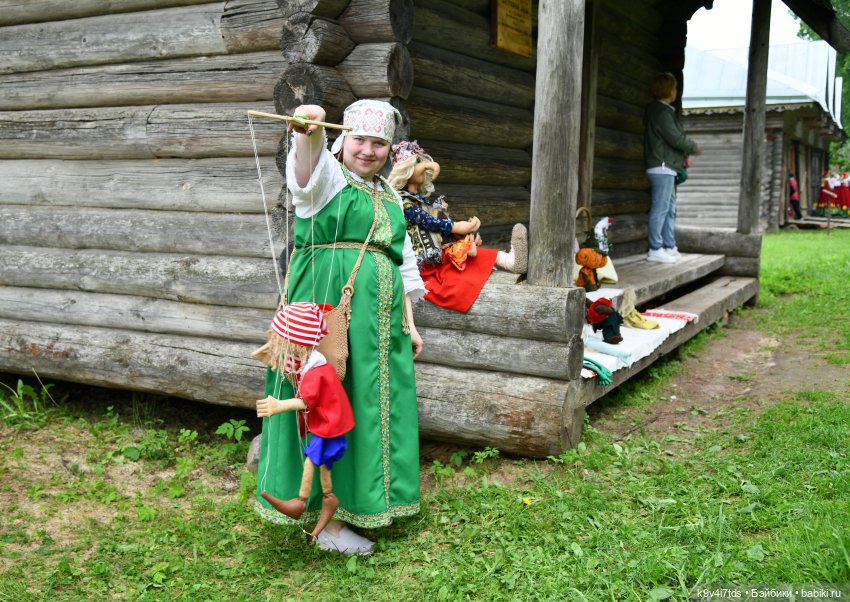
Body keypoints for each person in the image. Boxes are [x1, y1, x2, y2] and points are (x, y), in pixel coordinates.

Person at [254, 99, 426, 556]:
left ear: (390, 148)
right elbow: (306, 174)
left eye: (378, 143)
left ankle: (365, 502)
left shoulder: (389, 194)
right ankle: (322, 519)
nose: (367, 150)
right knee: (324, 405)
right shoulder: (330, 179)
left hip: (379, 324)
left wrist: (410, 324)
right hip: (326, 314)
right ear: (342, 140)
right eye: (359, 140)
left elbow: (402, 261)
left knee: (368, 406)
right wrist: (306, 132)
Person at [388, 140, 528, 313]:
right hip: (422, 265)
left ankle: (510, 261)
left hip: (437, 254)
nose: (425, 165)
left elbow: (436, 228)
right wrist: (456, 227)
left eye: (423, 160)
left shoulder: (421, 200)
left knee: (469, 251)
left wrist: (461, 235)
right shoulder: (404, 202)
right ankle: (508, 262)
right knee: (462, 263)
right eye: (418, 162)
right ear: (405, 169)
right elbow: (430, 223)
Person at [254, 302, 355, 539]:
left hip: (329, 424)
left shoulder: (316, 371)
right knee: (322, 464)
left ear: (298, 344)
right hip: (330, 423)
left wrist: (279, 406)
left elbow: (306, 401)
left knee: (312, 459)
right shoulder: (311, 364)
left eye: (284, 342)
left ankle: (300, 501)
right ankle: (329, 498)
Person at [643, 72, 702, 264]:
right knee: (661, 208)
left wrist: (682, 156)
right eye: (674, 87)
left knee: (669, 208)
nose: (676, 91)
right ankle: (655, 249)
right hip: (661, 167)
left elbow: (668, 142)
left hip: (666, 166)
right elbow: (674, 138)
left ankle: (668, 246)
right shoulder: (661, 112)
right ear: (668, 89)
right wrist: (693, 148)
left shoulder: (662, 111)